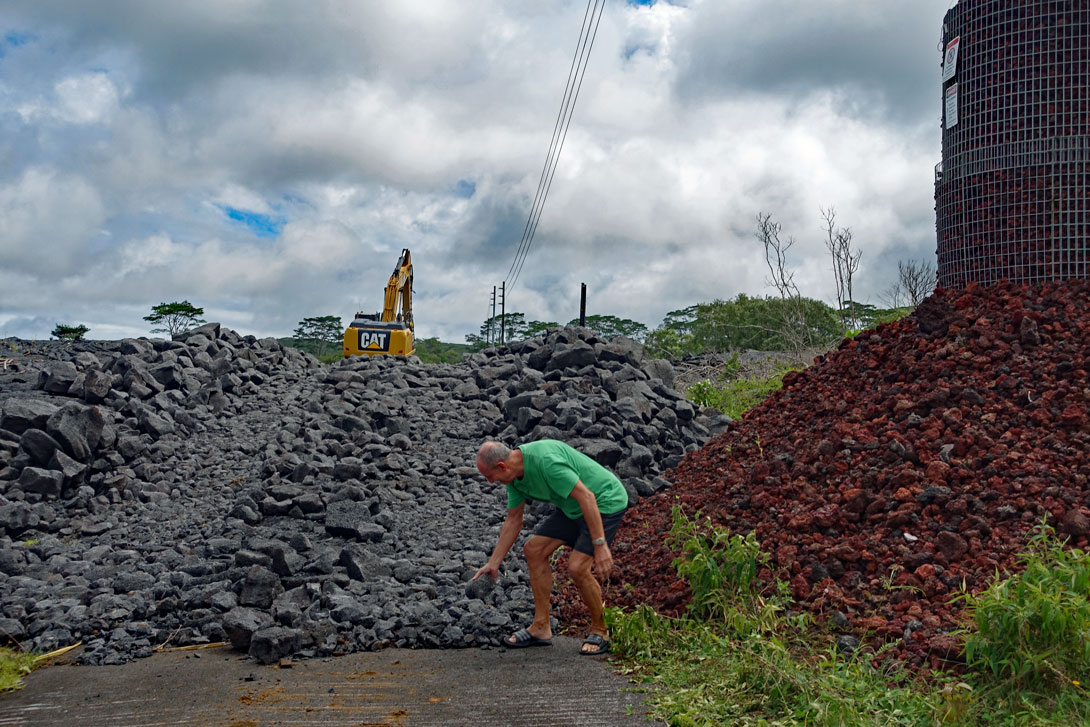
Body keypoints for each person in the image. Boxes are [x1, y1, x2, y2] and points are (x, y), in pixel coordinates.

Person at [472, 439, 628, 655]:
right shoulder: (515, 479)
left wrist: (600, 545)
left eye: (490, 476)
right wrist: (493, 563)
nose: (490, 482)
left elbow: (587, 497)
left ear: (501, 466)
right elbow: (513, 520)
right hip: (572, 507)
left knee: (577, 567)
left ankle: (601, 630)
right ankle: (541, 627)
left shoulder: (546, 462)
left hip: (604, 501)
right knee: (534, 550)